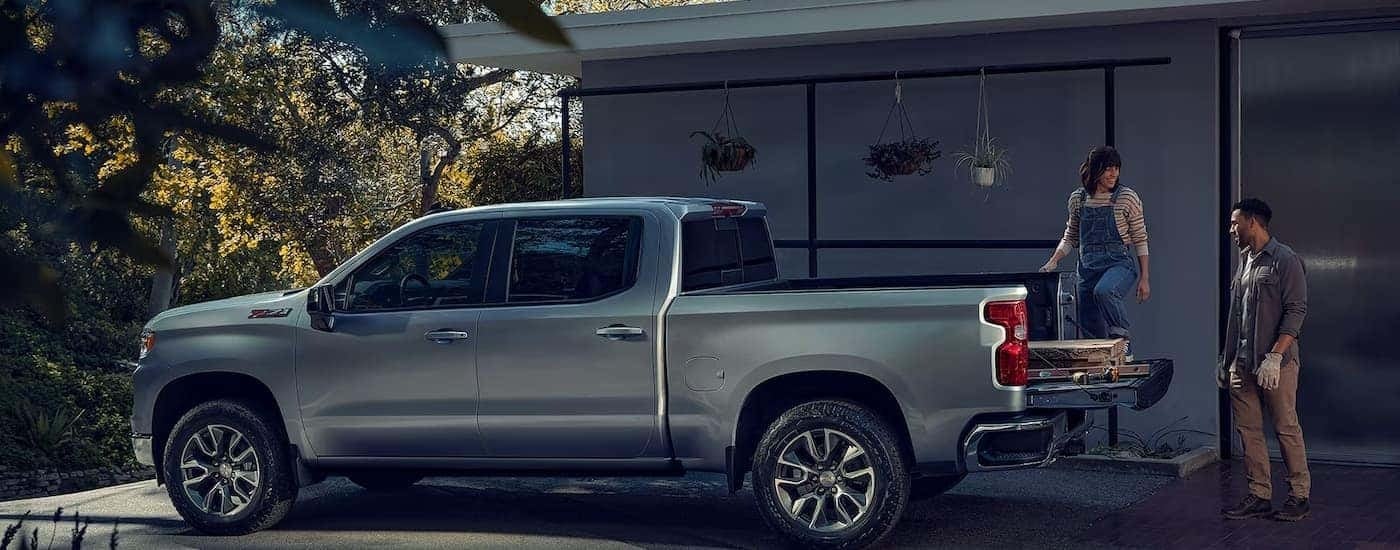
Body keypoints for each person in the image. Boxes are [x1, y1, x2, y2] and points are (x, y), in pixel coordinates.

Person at [1219, 198, 1311, 522]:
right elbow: (1236, 315)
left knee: (1286, 428)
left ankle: (1299, 496)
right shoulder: (1244, 260)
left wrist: (1275, 355)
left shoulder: (1285, 260)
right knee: (1249, 431)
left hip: (1276, 365)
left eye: (1235, 223)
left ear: (1253, 222)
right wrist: (1225, 359)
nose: (1231, 229)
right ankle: (1259, 494)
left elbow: (1296, 311)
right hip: (1242, 365)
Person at [1040, 146, 1151, 349]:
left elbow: (1140, 239)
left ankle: (1122, 340)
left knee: (1105, 291)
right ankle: (1104, 361)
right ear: (1095, 169)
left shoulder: (1127, 198)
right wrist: (1053, 260)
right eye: (1108, 168)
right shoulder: (1078, 199)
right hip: (1087, 269)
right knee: (1090, 326)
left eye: (1116, 168)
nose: (1113, 174)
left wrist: (1145, 278)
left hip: (1118, 264)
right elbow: (1070, 236)